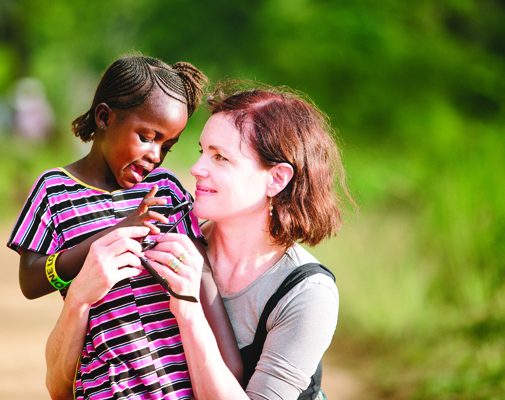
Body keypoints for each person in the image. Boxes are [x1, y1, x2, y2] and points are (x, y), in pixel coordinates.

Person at [7, 56, 241, 400]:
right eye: (147, 137)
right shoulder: (54, 189)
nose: (156, 156)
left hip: (180, 385)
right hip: (108, 385)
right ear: (105, 118)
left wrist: (229, 362)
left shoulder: (166, 190)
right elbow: (30, 280)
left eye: (167, 146)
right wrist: (119, 232)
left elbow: (200, 275)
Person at [144, 82, 353, 400]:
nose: (197, 168)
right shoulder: (172, 246)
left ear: (277, 178)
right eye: (203, 151)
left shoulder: (307, 294)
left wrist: (188, 312)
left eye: (220, 158)